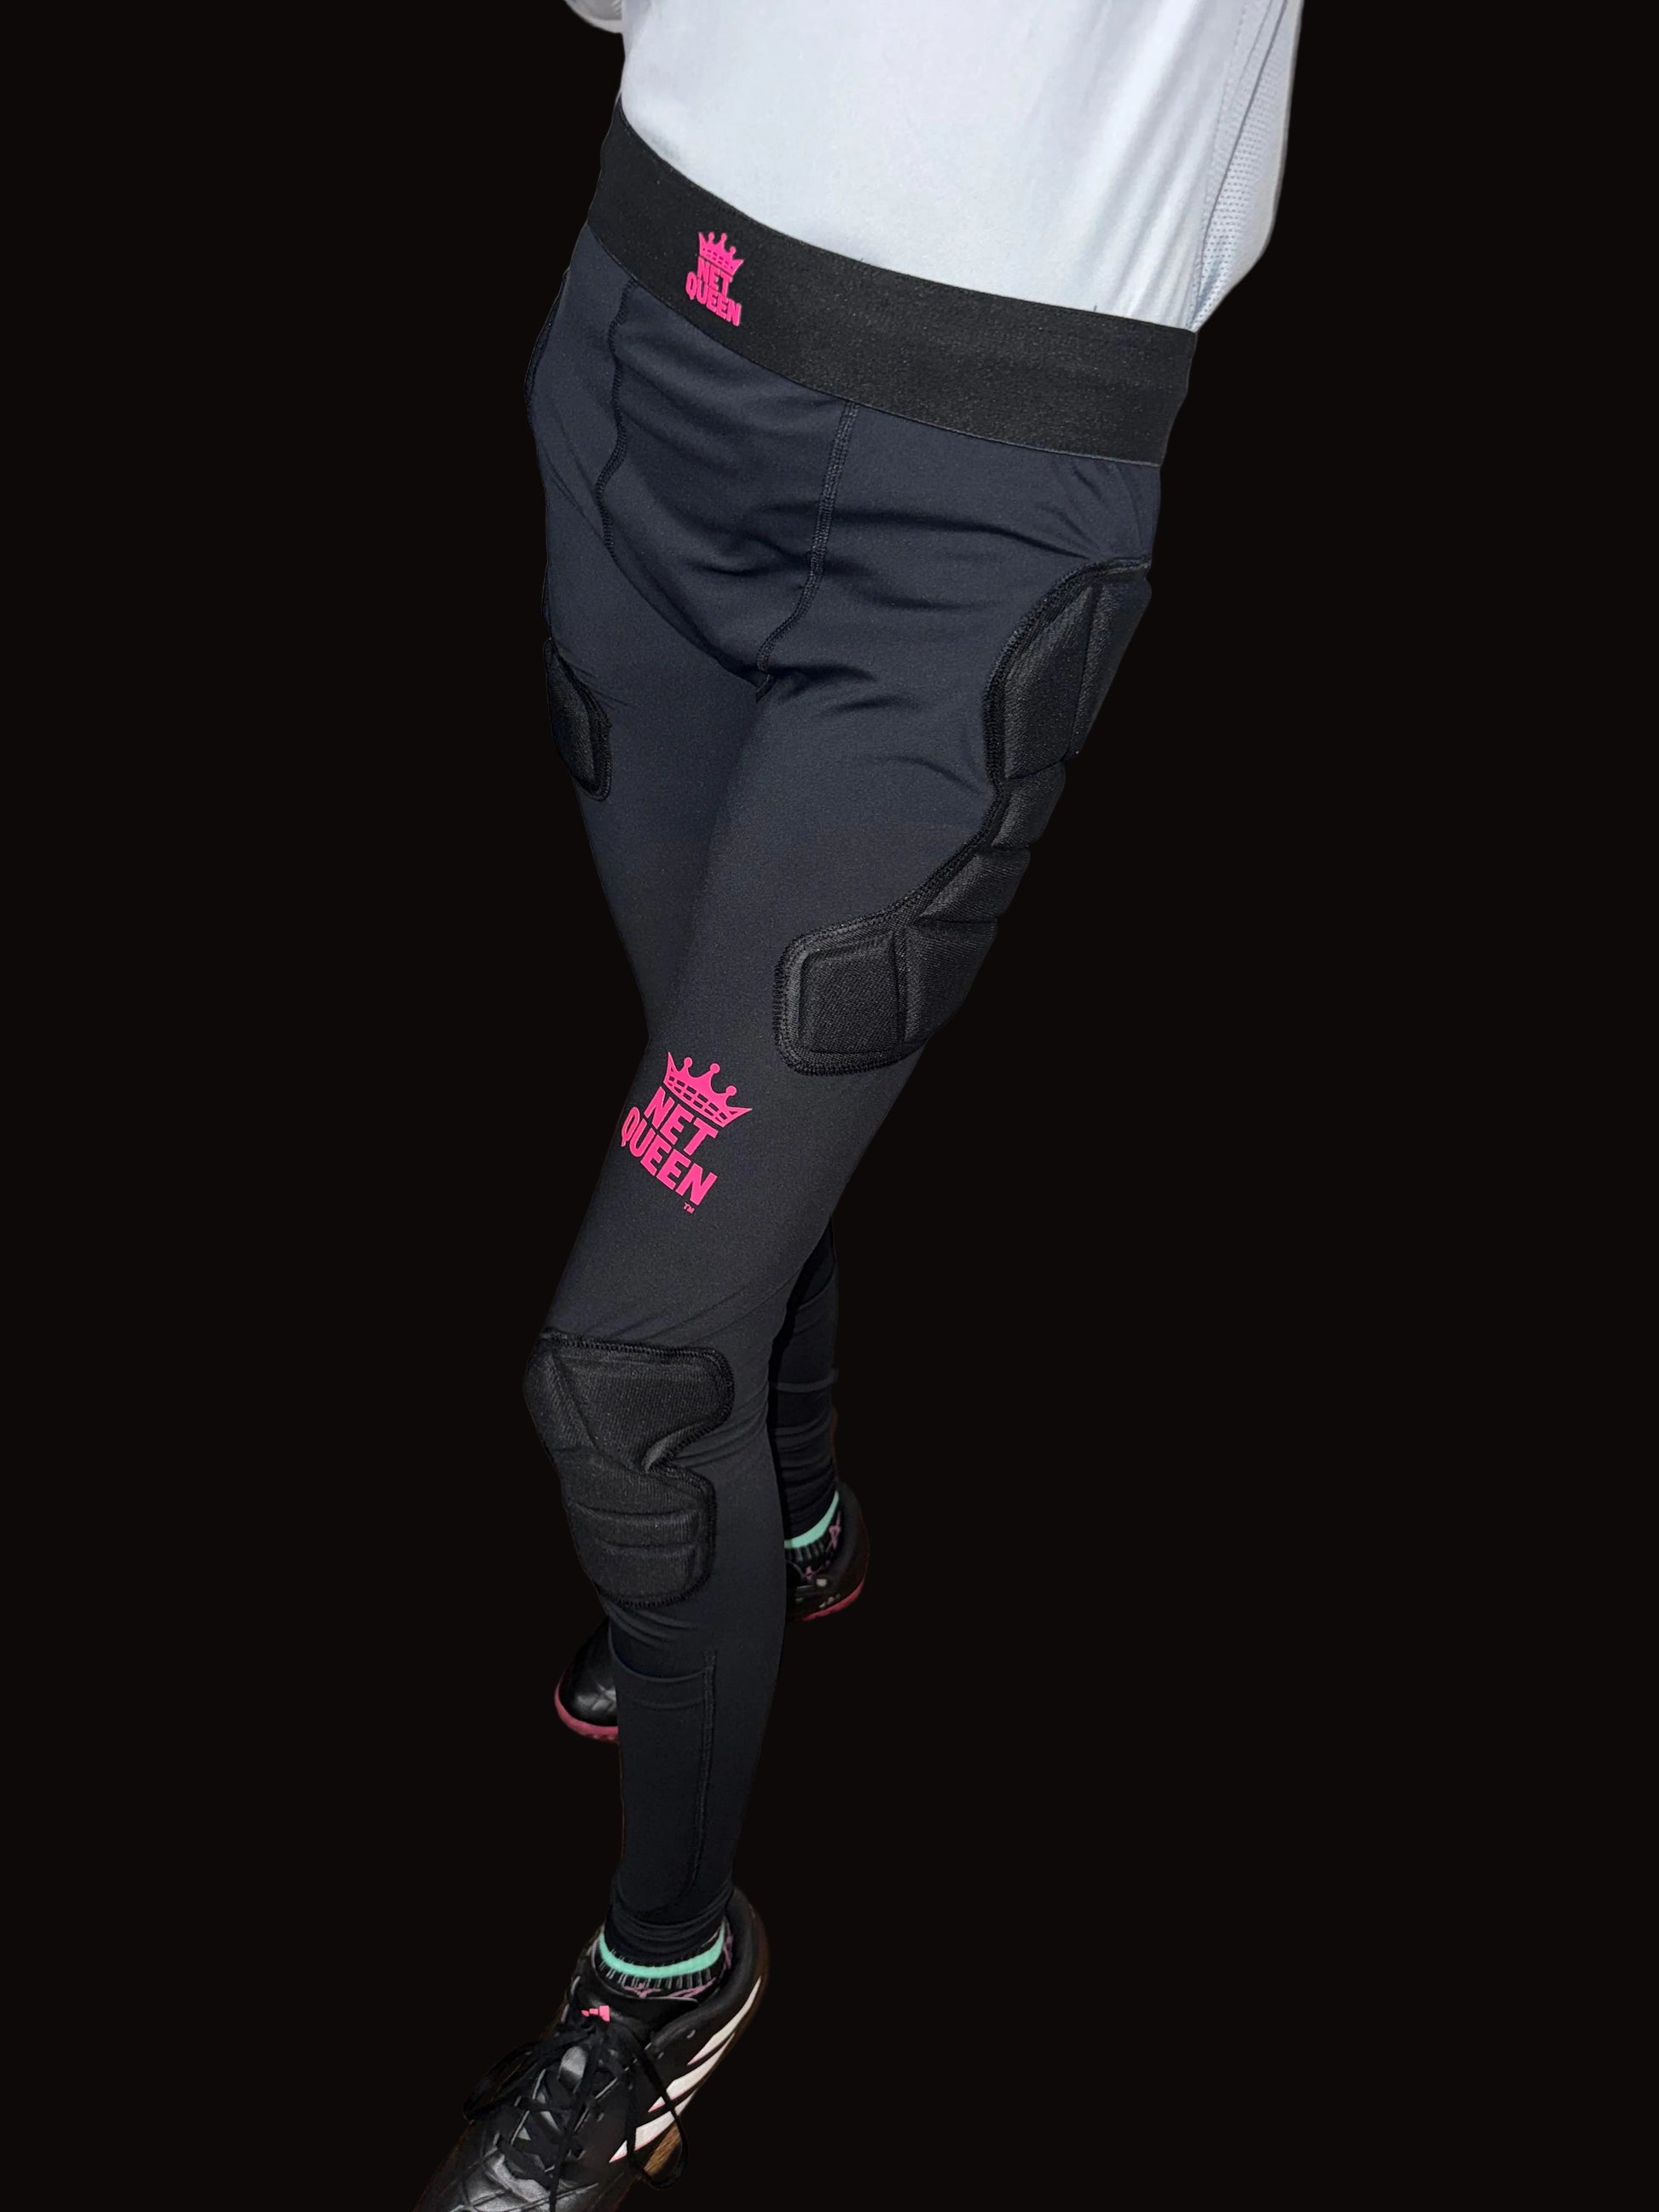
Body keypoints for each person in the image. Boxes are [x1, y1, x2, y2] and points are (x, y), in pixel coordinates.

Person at [417, 3, 1301, 2202]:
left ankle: (668, 1969)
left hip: (971, 504)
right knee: (691, 1070)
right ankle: (794, 1518)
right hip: (640, 345)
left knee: (629, 1381)